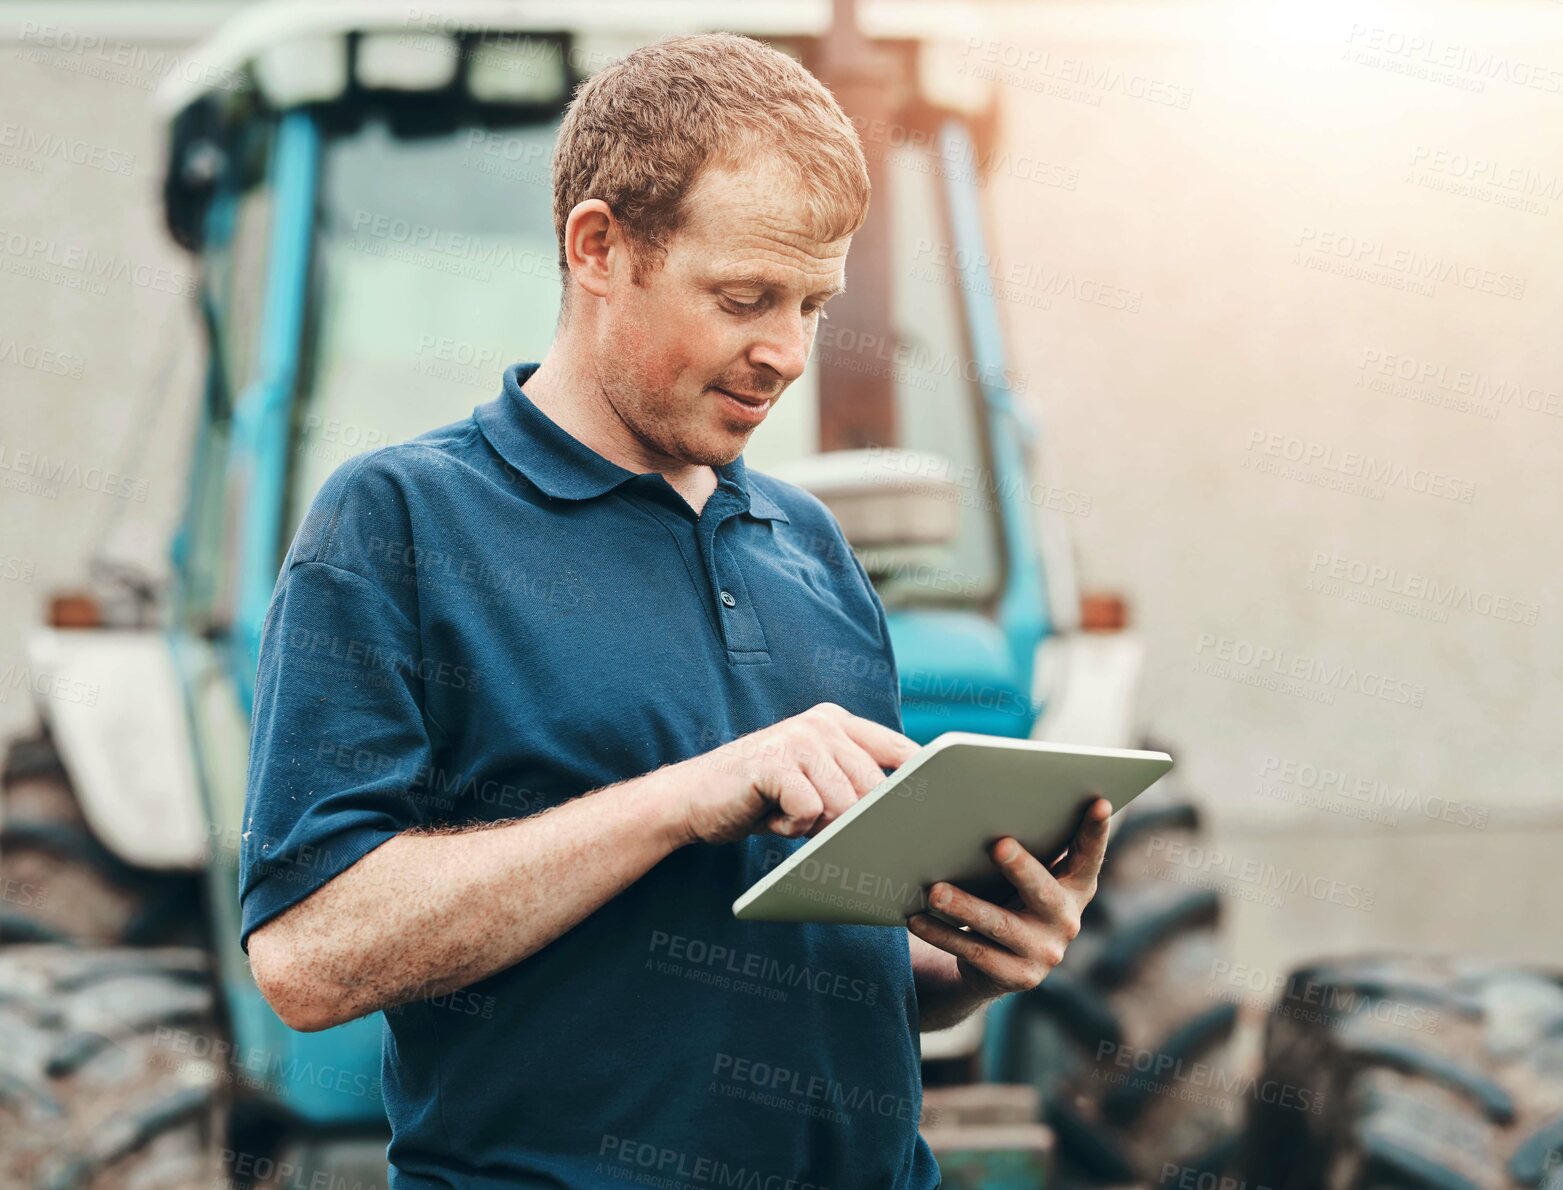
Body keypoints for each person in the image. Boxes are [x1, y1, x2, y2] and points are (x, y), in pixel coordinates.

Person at [240, 31, 1111, 1188]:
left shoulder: (810, 549)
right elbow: (309, 957)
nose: (787, 353)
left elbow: (813, 975)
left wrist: (977, 960)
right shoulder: (398, 522)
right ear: (597, 247)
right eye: (744, 297)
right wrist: (682, 797)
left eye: (811, 302)